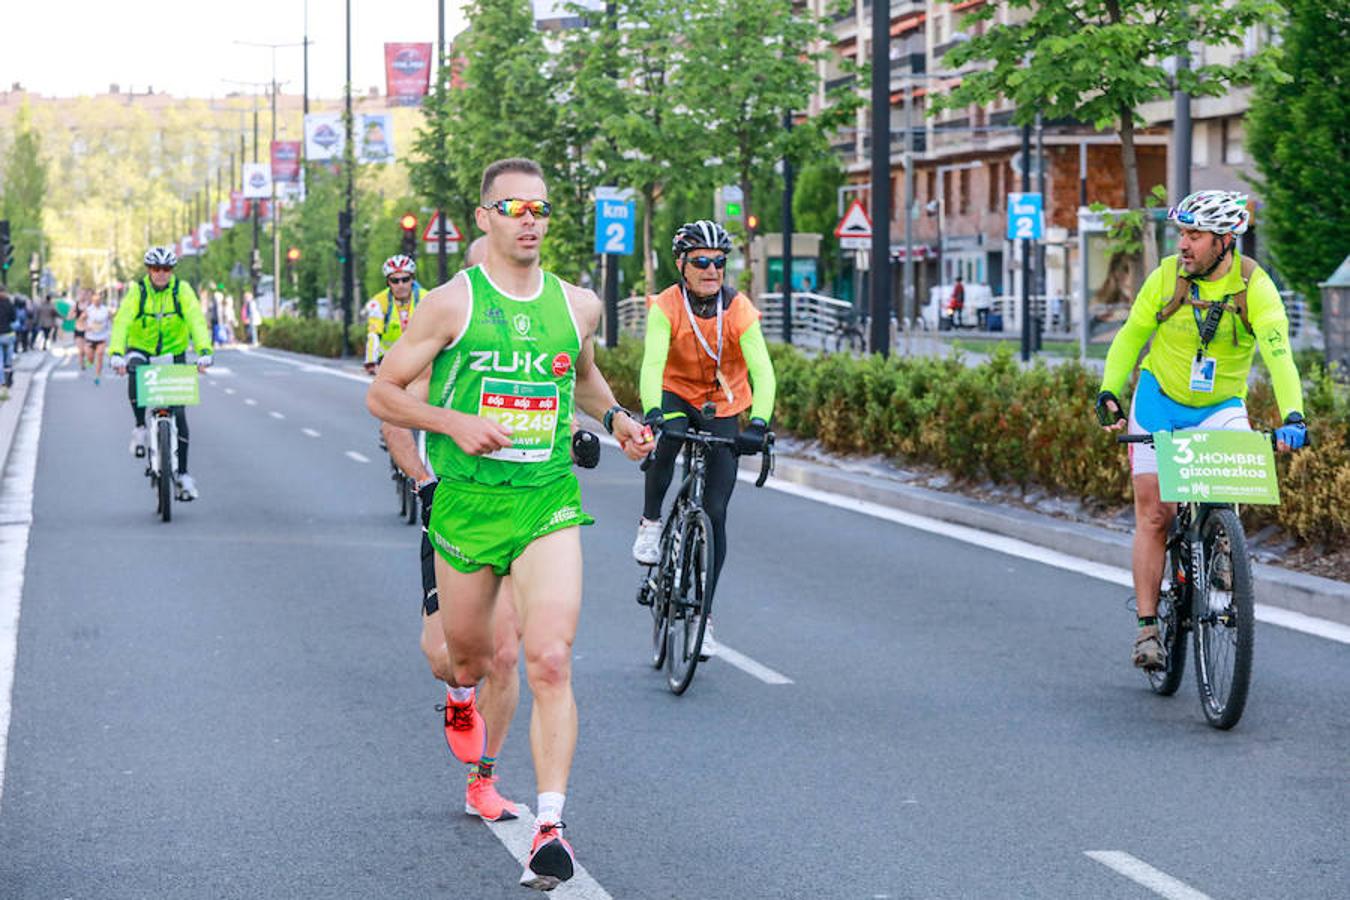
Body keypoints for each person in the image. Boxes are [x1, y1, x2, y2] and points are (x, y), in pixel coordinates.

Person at [367, 157, 651, 892]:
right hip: (466, 501)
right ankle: (461, 700)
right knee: (469, 659)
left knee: (547, 657)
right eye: (514, 207)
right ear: (486, 216)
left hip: (545, 497)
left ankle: (549, 828)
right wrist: (452, 423)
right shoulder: (448, 305)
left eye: (541, 209)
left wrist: (616, 419)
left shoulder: (577, 304)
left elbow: (580, 374)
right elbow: (384, 393)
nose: (530, 219)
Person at [1095, 190, 1308, 670]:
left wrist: (1294, 415)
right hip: (1158, 400)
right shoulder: (1167, 277)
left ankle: (1220, 551)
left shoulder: (1255, 286)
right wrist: (1110, 390)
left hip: (1218, 406)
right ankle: (1148, 629)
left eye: (1195, 235)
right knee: (1155, 513)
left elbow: (1279, 358)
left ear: (1225, 241)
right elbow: (1131, 335)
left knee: (1226, 487)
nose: (1184, 245)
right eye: (1182, 234)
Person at [381, 234, 523, 825]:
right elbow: (392, 410)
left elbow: (550, 413)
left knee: (509, 654)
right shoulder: (442, 340)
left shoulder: (527, 341)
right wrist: (422, 479)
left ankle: (482, 781)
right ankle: (459, 694)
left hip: (521, 508)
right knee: (447, 658)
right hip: (453, 510)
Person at [632, 220, 776, 655]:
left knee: (714, 512)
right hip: (677, 392)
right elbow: (652, 364)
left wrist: (759, 424)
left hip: (725, 404)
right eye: (701, 262)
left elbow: (763, 371)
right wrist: (654, 410)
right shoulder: (667, 306)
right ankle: (652, 523)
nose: (712, 270)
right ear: (682, 265)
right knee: (669, 438)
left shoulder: (739, 310)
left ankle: (704, 618)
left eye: (719, 262)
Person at [109, 247, 214, 500]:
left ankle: (184, 475)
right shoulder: (138, 291)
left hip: (173, 351)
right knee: (134, 370)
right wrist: (115, 353)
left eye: (166, 269)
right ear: (149, 270)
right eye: (156, 269)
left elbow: (196, 320)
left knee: (178, 412)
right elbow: (122, 321)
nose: (161, 274)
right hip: (141, 348)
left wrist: (204, 350)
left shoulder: (182, 291)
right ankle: (139, 427)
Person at [364, 254, 424, 375]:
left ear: (412, 279)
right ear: (388, 282)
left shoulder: (426, 298)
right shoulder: (379, 302)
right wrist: (371, 361)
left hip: (419, 360)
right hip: (388, 361)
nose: (400, 285)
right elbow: (374, 334)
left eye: (405, 279)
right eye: (395, 281)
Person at [83, 291, 112, 385]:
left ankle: (97, 376)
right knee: (90, 358)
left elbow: (111, 321)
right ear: (92, 300)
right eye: (95, 300)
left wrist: (111, 330)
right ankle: (89, 361)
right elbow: (80, 321)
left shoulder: (106, 310)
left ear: (101, 300)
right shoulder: (88, 310)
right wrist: (85, 327)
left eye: (98, 300)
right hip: (90, 337)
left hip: (102, 337)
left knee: (99, 355)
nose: (97, 301)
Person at [0, 288, 16, 388]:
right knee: (8, 359)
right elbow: (13, 318)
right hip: (8, 334)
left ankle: (2, 382)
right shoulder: (9, 303)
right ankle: (9, 379)